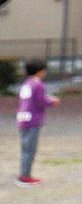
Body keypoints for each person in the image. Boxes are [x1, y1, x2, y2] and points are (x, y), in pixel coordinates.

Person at [15, 58, 59, 187]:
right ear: (40, 71)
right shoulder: (38, 84)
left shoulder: (26, 83)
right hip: (33, 120)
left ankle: (24, 174)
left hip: (22, 118)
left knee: (25, 149)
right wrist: (52, 101)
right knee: (30, 150)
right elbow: (40, 101)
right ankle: (25, 176)